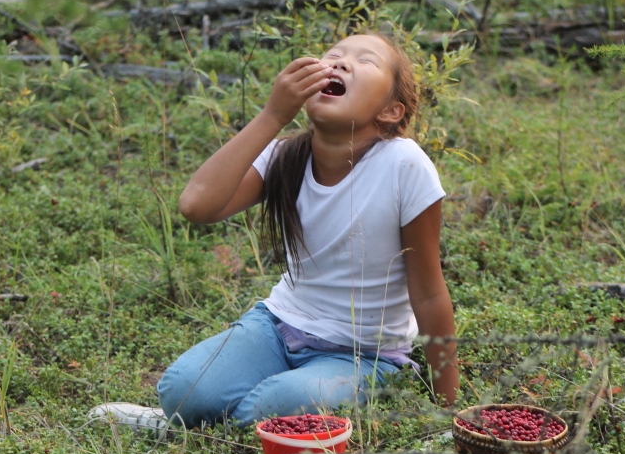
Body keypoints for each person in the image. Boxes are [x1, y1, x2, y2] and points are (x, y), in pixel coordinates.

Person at [90, 33, 459, 431]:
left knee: (276, 404)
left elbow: (428, 291)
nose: (340, 63)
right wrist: (272, 115)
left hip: (364, 355)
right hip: (278, 328)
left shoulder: (404, 164)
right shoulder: (286, 154)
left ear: (390, 111)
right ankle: (197, 417)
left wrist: (446, 412)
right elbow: (196, 206)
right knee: (182, 390)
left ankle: (202, 426)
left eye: (365, 61)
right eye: (332, 55)